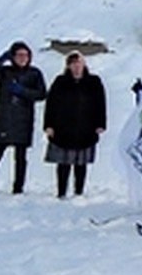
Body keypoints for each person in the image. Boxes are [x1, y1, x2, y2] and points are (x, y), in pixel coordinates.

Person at [0, 41, 47, 194]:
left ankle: (18, 189)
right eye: (19, 55)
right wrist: (0, 60)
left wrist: (22, 91)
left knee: (20, 158)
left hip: (23, 120)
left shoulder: (34, 73)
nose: (22, 58)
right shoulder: (4, 72)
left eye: (25, 55)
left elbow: (41, 94)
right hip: (4, 119)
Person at [43, 51, 107, 197]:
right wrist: (48, 125)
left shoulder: (94, 82)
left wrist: (100, 123)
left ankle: (79, 191)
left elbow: (101, 104)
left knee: (81, 162)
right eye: (73, 64)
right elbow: (51, 104)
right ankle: (61, 191)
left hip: (86, 127)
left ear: (84, 65)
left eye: (79, 63)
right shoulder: (60, 82)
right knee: (63, 162)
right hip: (63, 127)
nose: (77, 67)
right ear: (68, 66)